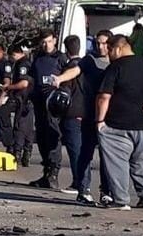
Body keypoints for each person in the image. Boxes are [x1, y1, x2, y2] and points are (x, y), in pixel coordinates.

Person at [97, 34, 143, 210]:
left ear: (118, 48)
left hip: (117, 124)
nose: (108, 54)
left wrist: (100, 121)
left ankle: (121, 199)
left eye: (110, 49)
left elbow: (104, 96)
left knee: (118, 162)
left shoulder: (115, 67)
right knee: (141, 162)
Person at [52, 30, 113, 205]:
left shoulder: (116, 63)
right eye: (97, 43)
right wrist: (60, 79)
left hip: (109, 116)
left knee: (107, 156)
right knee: (85, 154)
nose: (100, 47)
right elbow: (75, 71)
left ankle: (106, 191)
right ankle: (83, 188)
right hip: (89, 114)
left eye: (104, 43)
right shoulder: (89, 60)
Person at [28, 29, 68, 189]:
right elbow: (32, 79)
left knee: (53, 137)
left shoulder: (61, 58)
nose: (46, 45)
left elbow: (68, 80)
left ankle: (53, 173)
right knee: (42, 137)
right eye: (43, 42)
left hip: (54, 105)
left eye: (49, 41)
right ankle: (46, 173)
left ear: (55, 40)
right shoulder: (37, 58)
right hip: (38, 102)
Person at [57, 35, 85, 197]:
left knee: (75, 150)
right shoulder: (86, 65)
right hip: (84, 112)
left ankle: (78, 182)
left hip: (72, 113)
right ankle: (81, 182)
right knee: (81, 149)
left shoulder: (69, 68)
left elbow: (64, 93)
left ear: (66, 50)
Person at [0, 45, 34, 166]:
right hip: (22, 98)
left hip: (24, 98)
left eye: (13, 55)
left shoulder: (23, 64)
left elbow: (23, 83)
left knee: (21, 126)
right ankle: (22, 151)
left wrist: (9, 87)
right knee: (25, 126)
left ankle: (18, 151)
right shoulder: (20, 63)